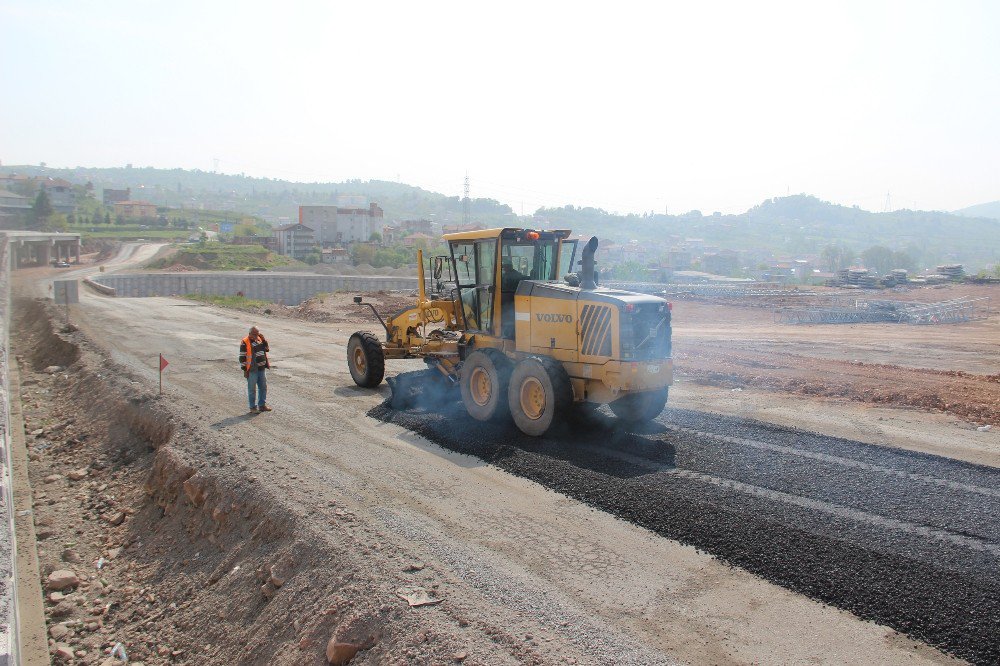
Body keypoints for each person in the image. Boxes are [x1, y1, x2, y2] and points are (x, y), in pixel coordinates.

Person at [239, 326, 271, 413]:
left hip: (261, 369)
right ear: (249, 334)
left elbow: (267, 349)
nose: (256, 336)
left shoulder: (260, 339)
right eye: (254, 334)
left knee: (263, 387)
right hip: (252, 370)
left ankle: (262, 405)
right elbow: (242, 357)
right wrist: (245, 370)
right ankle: (252, 407)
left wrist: (264, 340)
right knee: (252, 389)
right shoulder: (245, 342)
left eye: (257, 334)